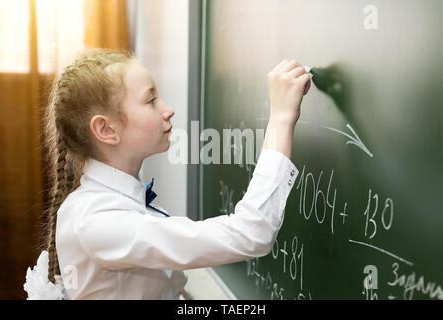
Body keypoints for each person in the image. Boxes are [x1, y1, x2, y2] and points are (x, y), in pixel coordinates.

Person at [23, 48, 311, 299]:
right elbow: (252, 232)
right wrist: (281, 118)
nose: (168, 110)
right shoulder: (98, 221)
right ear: (106, 130)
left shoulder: (112, 203)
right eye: (151, 101)